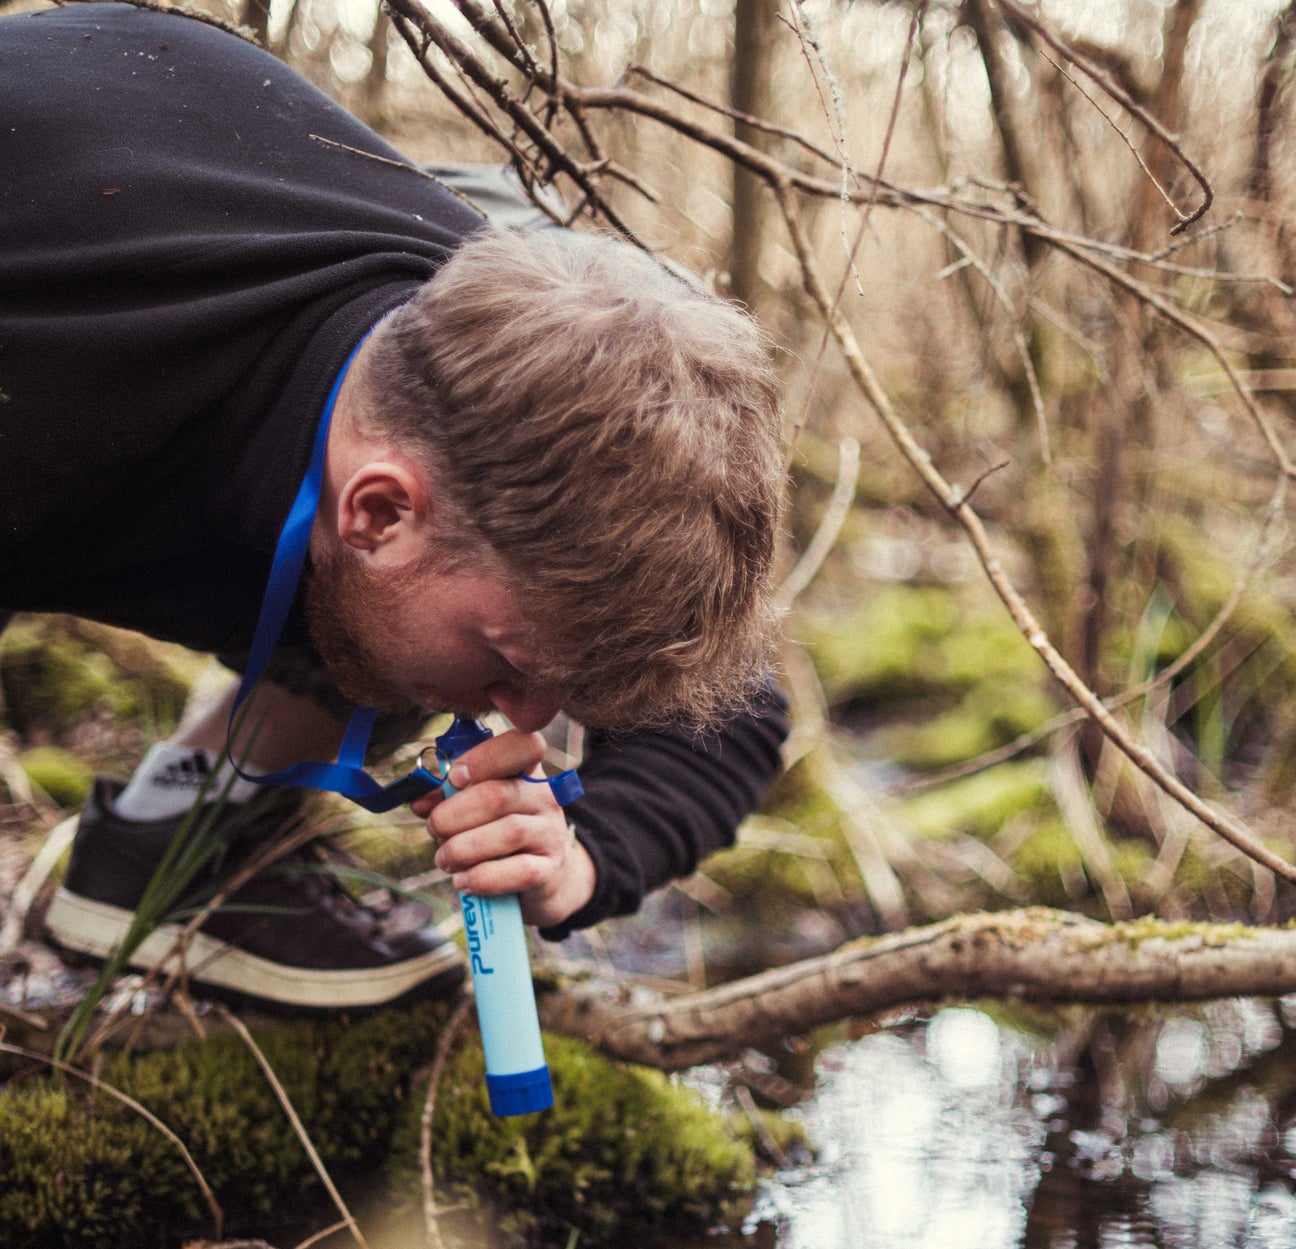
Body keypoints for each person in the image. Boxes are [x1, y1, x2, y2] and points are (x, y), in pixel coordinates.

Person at [0, 1, 790, 1009]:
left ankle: (181, 841)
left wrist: (574, 861)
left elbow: (728, 708)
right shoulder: (61, 354)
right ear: (378, 510)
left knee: (419, 627)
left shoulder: (496, 351)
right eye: (515, 666)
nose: (532, 721)